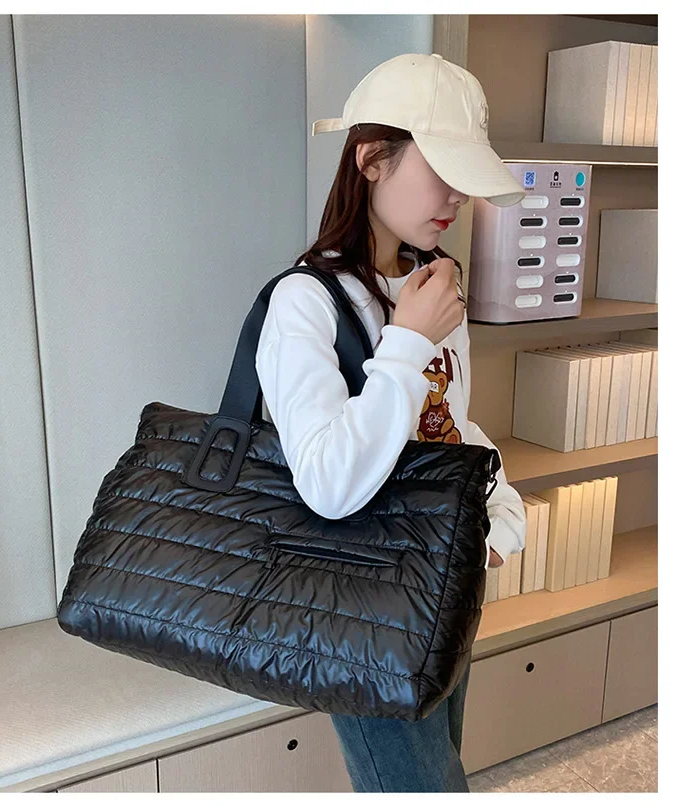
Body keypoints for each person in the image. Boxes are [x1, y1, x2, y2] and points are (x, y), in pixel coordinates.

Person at [254, 53, 527, 792]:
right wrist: (405, 341)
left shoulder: (431, 284)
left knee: (441, 771)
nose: (458, 195)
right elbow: (329, 483)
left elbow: (451, 427)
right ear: (372, 159)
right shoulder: (305, 302)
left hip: (446, 580)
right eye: (443, 169)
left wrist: (499, 512)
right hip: (366, 604)